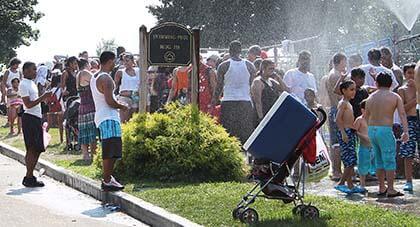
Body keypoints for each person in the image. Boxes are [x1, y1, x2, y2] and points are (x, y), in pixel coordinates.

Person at [365, 72, 408, 197]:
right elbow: (402, 114)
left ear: (376, 83)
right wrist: (406, 131)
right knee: (389, 159)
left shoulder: (371, 97)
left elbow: (366, 116)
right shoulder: (394, 97)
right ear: (391, 83)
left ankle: (381, 187)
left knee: (378, 159)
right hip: (385, 130)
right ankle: (390, 189)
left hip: (372, 129)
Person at [91, 51, 128, 191]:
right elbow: (109, 101)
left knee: (110, 148)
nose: (115, 64)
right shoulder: (106, 78)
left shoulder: (95, 76)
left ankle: (108, 178)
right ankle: (107, 179)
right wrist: (122, 106)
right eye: (114, 61)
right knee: (110, 149)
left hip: (102, 116)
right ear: (110, 61)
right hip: (108, 117)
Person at [212, 40, 256, 144]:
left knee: (228, 131)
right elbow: (251, 84)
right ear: (241, 51)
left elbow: (219, 86)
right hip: (245, 101)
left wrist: (214, 100)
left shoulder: (223, 66)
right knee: (245, 130)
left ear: (229, 50)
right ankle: (246, 156)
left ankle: (230, 153)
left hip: (228, 101)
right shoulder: (250, 66)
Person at [20, 62, 53, 187]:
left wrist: (43, 99)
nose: (35, 72)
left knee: (38, 148)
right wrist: (43, 97)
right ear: (26, 71)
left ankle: (30, 176)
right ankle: (28, 176)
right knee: (32, 148)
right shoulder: (23, 84)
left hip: (36, 117)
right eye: (33, 69)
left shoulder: (32, 83)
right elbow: (28, 104)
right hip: (30, 118)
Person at [334, 80, 360, 194]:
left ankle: (350, 185)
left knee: (348, 159)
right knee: (351, 160)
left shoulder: (347, 103)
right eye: (351, 89)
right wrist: (343, 132)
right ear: (344, 91)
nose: (353, 92)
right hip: (346, 132)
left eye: (354, 89)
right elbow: (338, 119)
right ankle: (341, 183)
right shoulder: (343, 103)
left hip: (349, 131)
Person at [326, 53, 347, 181]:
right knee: (337, 142)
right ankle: (336, 171)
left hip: (334, 109)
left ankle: (336, 170)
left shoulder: (332, 74)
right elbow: (339, 95)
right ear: (340, 61)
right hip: (337, 110)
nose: (346, 64)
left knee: (335, 142)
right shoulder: (336, 75)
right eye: (345, 61)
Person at [397, 63, 418, 191]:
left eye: (414, 72)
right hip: (409, 121)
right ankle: (408, 180)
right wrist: (416, 98)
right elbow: (402, 109)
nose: (411, 75)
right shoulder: (402, 90)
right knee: (408, 152)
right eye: (409, 73)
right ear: (405, 74)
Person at [76, 59, 97, 161]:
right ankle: (93, 153)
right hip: (90, 106)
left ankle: (85, 154)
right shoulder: (86, 73)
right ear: (86, 64)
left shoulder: (78, 74)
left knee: (84, 132)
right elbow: (96, 82)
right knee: (92, 130)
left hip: (82, 106)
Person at [114, 53, 140, 122]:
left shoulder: (138, 71)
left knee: (133, 120)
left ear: (132, 61)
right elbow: (115, 86)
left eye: (127, 61)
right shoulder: (120, 72)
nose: (125, 63)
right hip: (124, 98)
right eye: (124, 61)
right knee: (124, 121)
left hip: (136, 98)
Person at [353, 100, 371, 193]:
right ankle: (362, 184)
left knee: (375, 165)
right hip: (363, 146)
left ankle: (382, 183)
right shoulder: (359, 120)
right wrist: (362, 136)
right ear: (362, 110)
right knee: (362, 165)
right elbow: (354, 131)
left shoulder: (373, 119)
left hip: (373, 147)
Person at [46, 75, 64, 144]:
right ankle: (61, 139)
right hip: (59, 107)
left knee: (49, 124)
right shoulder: (60, 89)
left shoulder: (50, 90)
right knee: (60, 124)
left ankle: (42, 138)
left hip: (51, 107)